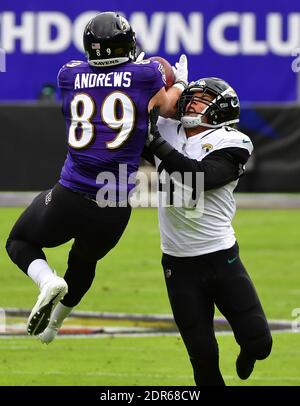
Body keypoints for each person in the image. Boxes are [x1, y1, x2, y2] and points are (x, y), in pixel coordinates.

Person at [5, 12, 188, 343]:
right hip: (114, 206)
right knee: (84, 261)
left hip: (70, 194)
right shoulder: (145, 75)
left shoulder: (68, 75)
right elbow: (171, 106)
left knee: (18, 241)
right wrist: (177, 83)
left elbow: (102, 79)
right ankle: (54, 327)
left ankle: (47, 281)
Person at [145, 77, 272, 385]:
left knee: (260, 343)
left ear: (220, 110)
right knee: (203, 360)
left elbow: (201, 177)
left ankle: (249, 351)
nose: (191, 103)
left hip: (220, 257)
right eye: (191, 98)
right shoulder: (165, 130)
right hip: (177, 262)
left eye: (201, 100)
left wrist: (154, 142)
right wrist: (155, 80)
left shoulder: (232, 141)